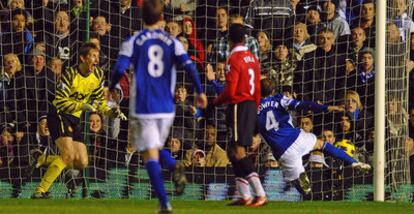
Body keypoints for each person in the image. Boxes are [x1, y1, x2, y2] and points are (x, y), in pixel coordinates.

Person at [108, 1, 207, 213]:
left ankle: (165, 202)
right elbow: (189, 66)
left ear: (141, 17)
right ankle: (174, 166)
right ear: (162, 17)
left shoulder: (134, 40)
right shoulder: (172, 42)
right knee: (154, 148)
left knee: (147, 153)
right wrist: (199, 91)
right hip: (167, 107)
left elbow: (120, 67)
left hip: (144, 105)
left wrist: (111, 87)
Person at [30, 42, 127, 199]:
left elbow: (98, 102)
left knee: (82, 162)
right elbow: (60, 101)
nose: (97, 59)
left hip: (74, 119)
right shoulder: (69, 74)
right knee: (67, 155)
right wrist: (82, 105)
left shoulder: (98, 75)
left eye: (97, 56)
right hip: (59, 114)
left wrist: (111, 112)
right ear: (82, 58)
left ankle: (42, 158)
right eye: (93, 56)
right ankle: (39, 191)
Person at [257, 78, 371, 195]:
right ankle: (353, 162)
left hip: (282, 151)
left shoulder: (254, 109)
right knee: (321, 144)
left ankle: (304, 186)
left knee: (304, 189)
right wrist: (330, 107)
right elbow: (305, 105)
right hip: (296, 137)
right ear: (273, 91)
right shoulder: (279, 98)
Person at [211, 23, 266, 207]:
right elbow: (258, 88)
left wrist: (216, 102)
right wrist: (254, 108)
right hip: (250, 104)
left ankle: (259, 192)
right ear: (244, 39)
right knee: (232, 151)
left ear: (230, 40)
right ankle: (244, 195)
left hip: (238, 105)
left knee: (239, 151)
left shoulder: (233, 59)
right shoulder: (252, 58)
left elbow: (231, 90)